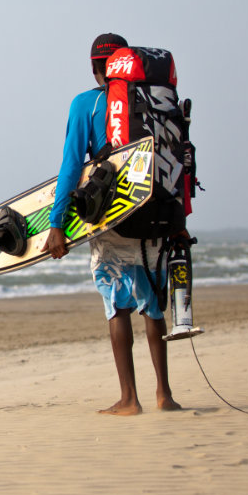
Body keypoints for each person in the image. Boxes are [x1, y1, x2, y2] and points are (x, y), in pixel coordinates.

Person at [41, 32, 180, 416]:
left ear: (94, 67)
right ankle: (164, 395)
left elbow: (71, 166)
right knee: (153, 306)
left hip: (112, 219)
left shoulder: (85, 103)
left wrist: (57, 223)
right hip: (155, 215)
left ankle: (129, 399)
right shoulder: (152, 101)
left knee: (117, 308)